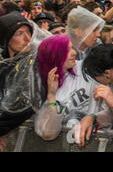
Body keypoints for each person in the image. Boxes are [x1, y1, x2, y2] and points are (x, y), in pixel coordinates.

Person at [34, 34, 101, 141]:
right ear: (54, 55)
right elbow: (47, 133)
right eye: (67, 50)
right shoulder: (40, 85)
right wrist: (51, 96)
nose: (74, 53)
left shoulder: (83, 70)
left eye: (72, 48)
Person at [0, 12, 51, 141]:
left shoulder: (34, 64)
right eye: (19, 33)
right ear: (6, 38)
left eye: (28, 32)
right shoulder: (3, 66)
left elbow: (27, 106)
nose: (28, 38)